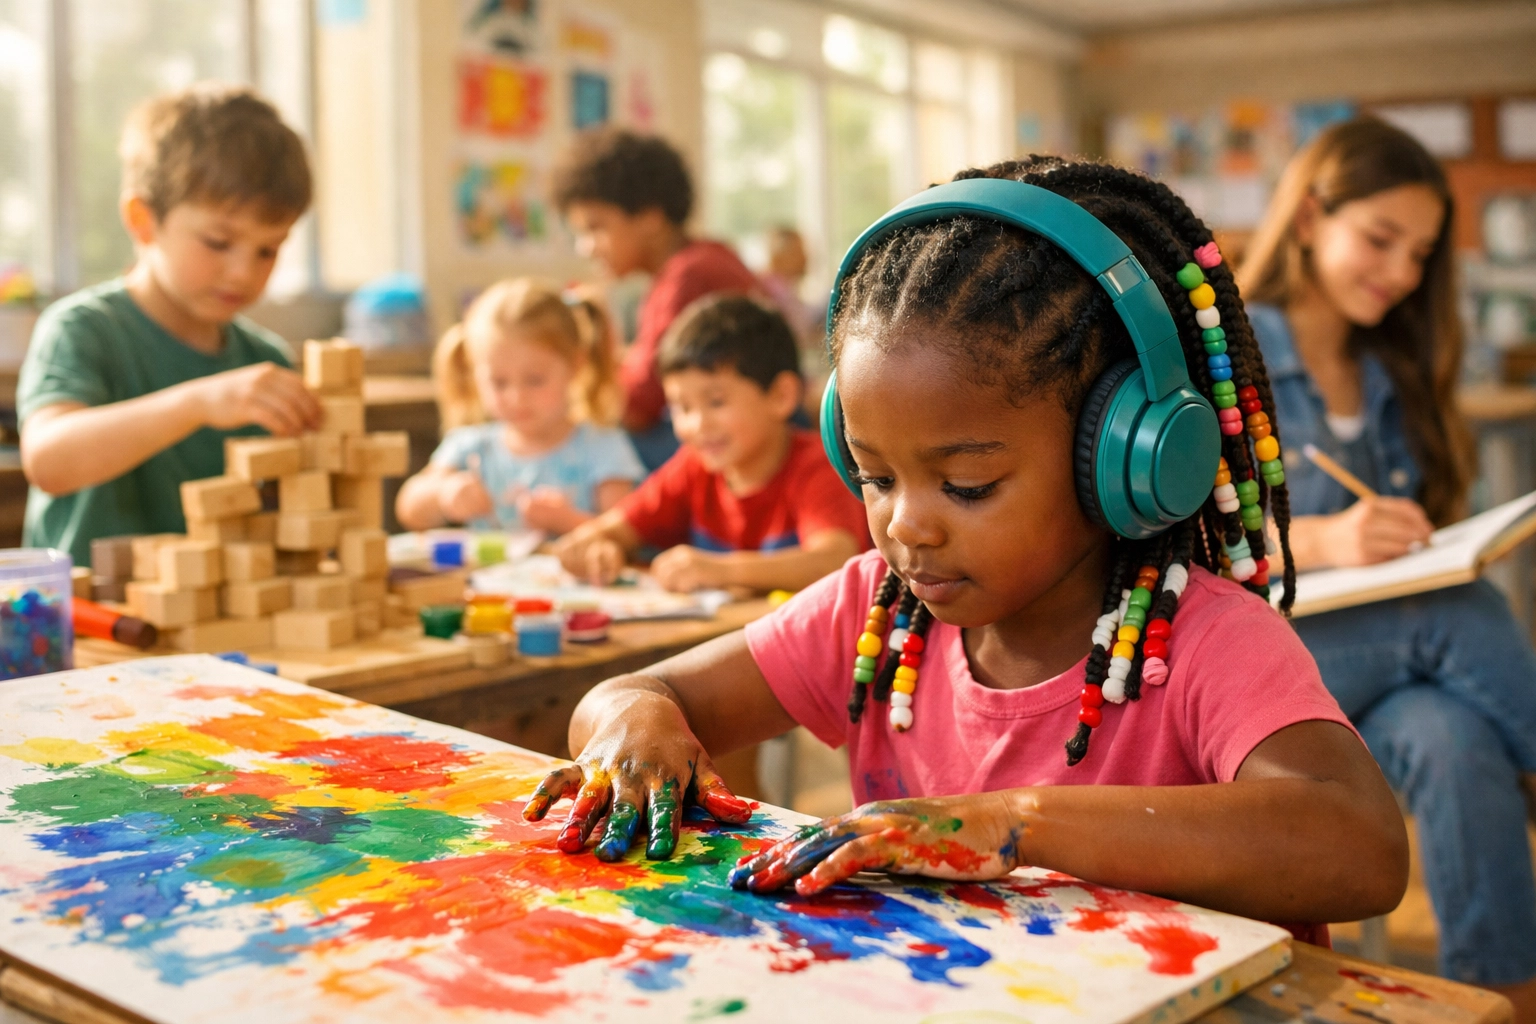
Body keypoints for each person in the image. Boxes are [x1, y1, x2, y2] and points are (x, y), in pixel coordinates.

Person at [526, 157, 1408, 941]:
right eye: (874, 478)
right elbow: (635, 695)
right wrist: (635, 726)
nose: (907, 523)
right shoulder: (878, 612)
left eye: (968, 485)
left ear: (1127, 459)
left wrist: (1010, 823)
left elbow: (1360, 847)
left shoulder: (1211, 641)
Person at [1237, 117, 1536, 1008]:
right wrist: (1324, 543)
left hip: (1369, 680)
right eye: (1380, 240)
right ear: (1309, 218)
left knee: (1453, 739)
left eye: (1420, 254)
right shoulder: (1231, 349)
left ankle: (1507, 999)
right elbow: (1180, 549)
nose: (1401, 272)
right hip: (1263, 674)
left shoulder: (1389, 363)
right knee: (1447, 614)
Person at [19, 85, 320, 568]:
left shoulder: (264, 362)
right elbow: (50, 461)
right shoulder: (83, 330)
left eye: (269, 249)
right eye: (218, 242)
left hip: (219, 626)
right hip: (91, 625)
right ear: (143, 220)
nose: (244, 272)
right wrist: (200, 402)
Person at [554, 294, 868, 594]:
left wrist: (721, 571)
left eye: (716, 402)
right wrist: (597, 545)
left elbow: (833, 561)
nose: (698, 425)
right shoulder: (695, 465)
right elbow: (618, 526)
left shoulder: (818, 466)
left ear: (780, 396)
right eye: (682, 407)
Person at [552, 128, 759, 470]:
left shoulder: (685, 277)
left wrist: (598, 333)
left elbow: (637, 408)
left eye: (596, 228)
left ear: (650, 219)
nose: (585, 247)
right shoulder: (709, 256)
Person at [396, 278, 644, 534]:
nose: (517, 398)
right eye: (499, 383)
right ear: (474, 374)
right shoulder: (470, 448)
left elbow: (626, 537)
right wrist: (442, 494)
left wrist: (568, 522)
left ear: (575, 364)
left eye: (535, 380)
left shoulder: (603, 449)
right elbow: (409, 510)